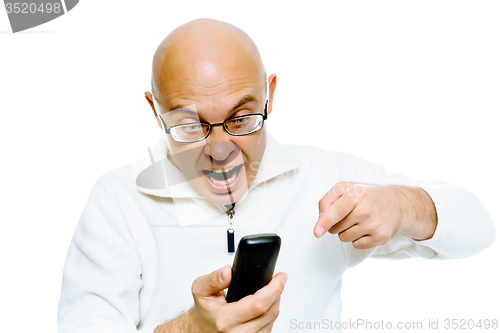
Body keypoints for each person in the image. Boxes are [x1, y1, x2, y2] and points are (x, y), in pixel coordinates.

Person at [57, 18, 496, 333]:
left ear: (270, 95)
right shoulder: (117, 201)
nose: (220, 149)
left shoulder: (326, 180)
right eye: (190, 126)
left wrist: (401, 206)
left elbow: (478, 229)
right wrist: (190, 331)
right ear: (156, 111)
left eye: (242, 117)